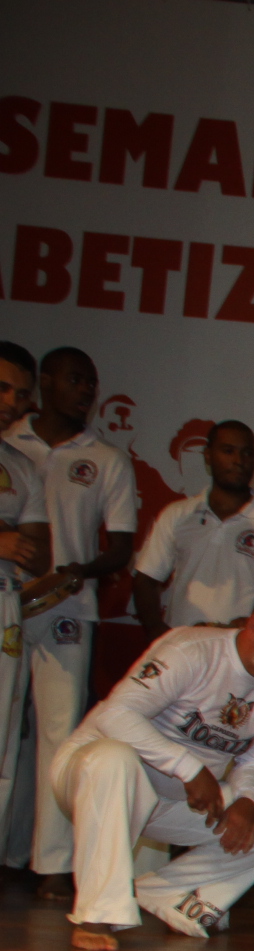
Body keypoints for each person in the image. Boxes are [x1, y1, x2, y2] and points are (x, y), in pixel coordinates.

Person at [50, 588, 254, 951]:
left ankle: (167, 894)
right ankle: (97, 915)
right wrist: (189, 768)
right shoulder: (192, 651)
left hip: (171, 801)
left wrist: (250, 801)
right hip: (92, 776)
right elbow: (115, 713)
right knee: (116, 758)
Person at [4, 347, 137, 899]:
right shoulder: (12, 445)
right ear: (47, 382)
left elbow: (121, 547)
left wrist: (77, 572)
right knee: (9, 735)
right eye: (76, 379)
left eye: (93, 382)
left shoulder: (106, 458)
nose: (86, 390)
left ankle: (51, 863)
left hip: (67, 608)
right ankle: (12, 851)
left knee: (59, 734)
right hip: (11, 602)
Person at [131, 421, 254, 636]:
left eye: (247, 453)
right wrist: (157, 632)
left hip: (242, 649)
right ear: (207, 456)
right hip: (182, 646)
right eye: (228, 451)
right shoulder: (177, 515)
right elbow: (146, 579)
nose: (238, 461)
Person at [0, 343, 48, 849]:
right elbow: (13, 541)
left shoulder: (21, 466)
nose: (12, 402)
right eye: (3, 388)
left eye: (21, 394)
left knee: (3, 738)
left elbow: (35, 552)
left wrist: (11, 542)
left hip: (6, 603)